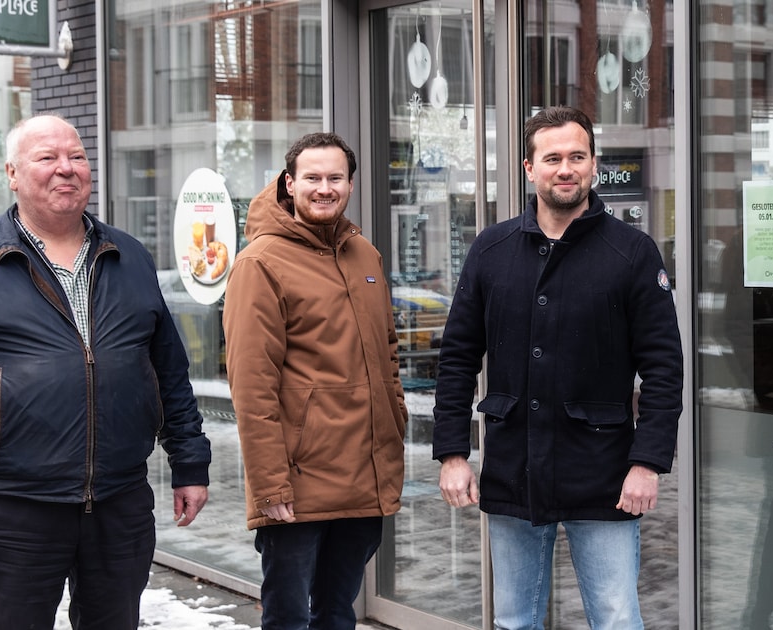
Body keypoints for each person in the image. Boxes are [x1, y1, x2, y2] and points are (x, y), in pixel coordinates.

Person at [0, 113, 212, 629]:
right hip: (12, 508)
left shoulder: (130, 257)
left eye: (76, 156)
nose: (66, 169)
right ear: (12, 173)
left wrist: (188, 461)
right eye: (47, 158)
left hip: (120, 502)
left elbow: (168, 371)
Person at [433, 106, 683, 630]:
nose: (565, 168)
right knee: (513, 622)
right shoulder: (491, 249)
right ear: (529, 168)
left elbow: (662, 366)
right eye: (552, 158)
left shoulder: (632, 252)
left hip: (605, 472)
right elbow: (457, 357)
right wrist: (453, 452)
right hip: (512, 468)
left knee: (615, 619)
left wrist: (648, 462)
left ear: (593, 165)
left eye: (577, 156)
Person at [222, 132, 408, 630]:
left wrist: (395, 423)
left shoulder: (363, 254)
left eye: (335, 178)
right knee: (288, 619)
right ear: (289, 183)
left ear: (349, 184)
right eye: (312, 178)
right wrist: (268, 484)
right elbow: (251, 385)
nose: (324, 188)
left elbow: (386, 353)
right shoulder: (259, 262)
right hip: (297, 485)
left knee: (337, 614)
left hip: (362, 474)